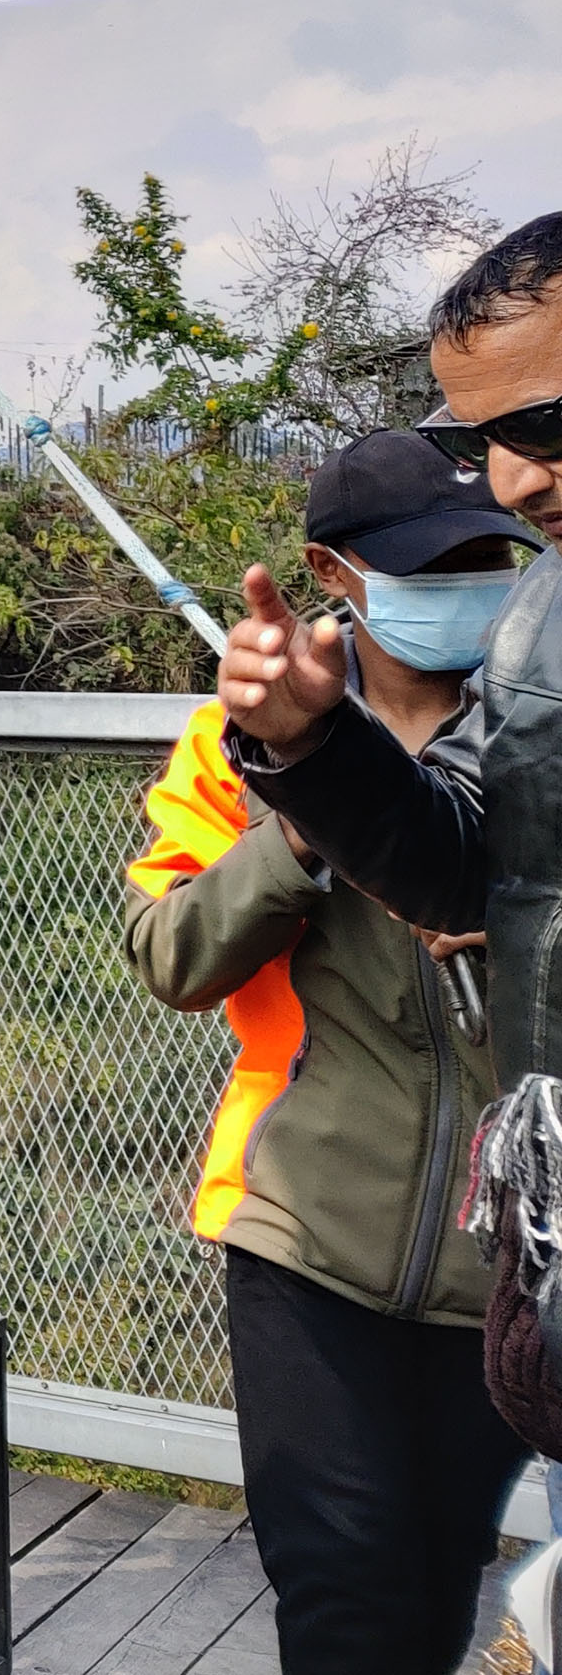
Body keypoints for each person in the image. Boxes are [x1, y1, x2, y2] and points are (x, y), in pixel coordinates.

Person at [125, 431, 534, 1674]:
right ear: (335, 569)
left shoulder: (542, 729)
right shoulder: (236, 740)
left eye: (490, 556)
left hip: (506, 1248)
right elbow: (172, 957)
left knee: (446, 1572)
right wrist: (308, 810)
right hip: (300, 1235)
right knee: (341, 1591)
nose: (471, 579)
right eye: (433, 560)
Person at [221, 216, 562, 1402]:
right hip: (348, 1249)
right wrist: (313, 756)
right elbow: (468, 860)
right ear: (334, 580)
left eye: (547, 426)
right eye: (486, 441)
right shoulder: (539, 639)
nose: (518, 482)